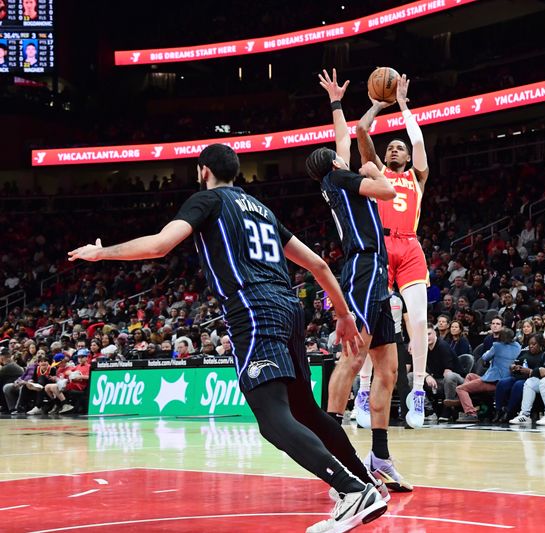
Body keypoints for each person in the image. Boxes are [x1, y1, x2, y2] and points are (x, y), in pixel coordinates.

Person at [69, 143, 387, 532]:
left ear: (203, 170)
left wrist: (102, 255)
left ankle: (351, 489)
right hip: (288, 309)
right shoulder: (263, 209)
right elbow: (318, 264)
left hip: (253, 309)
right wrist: (342, 314)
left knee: (272, 420)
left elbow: (159, 245)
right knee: (305, 410)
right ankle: (368, 483)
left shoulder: (207, 200)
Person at [306, 70, 411, 494]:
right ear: (334, 164)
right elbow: (386, 192)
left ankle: (380, 457)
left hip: (375, 272)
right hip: (363, 269)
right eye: (338, 154)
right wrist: (375, 169)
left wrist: (339, 103)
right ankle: (333, 460)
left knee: (388, 370)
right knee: (353, 359)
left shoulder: (335, 179)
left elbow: (344, 137)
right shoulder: (347, 178)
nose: (341, 152)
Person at [356, 72, 431, 429]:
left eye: (398, 147)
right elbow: (363, 132)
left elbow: (417, 139)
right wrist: (376, 105)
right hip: (380, 247)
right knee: (372, 325)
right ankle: (363, 388)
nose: (395, 149)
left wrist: (402, 105)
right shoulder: (377, 172)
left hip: (410, 244)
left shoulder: (417, 176)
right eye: (392, 147)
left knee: (418, 320)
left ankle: (417, 391)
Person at [448, 327, 519, 422]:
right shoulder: (518, 346)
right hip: (508, 380)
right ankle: (468, 402)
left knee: (460, 388)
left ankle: (470, 413)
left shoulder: (497, 346)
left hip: (493, 382)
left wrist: (488, 352)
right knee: (470, 376)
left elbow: (485, 357)